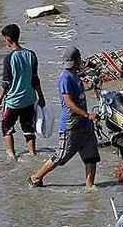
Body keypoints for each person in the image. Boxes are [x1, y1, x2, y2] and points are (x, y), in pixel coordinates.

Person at [29, 47, 100, 188]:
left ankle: (90, 187)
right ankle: (36, 177)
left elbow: (82, 80)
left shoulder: (75, 74)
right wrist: (87, 115)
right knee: (61, 155)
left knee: (91, 156)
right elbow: (68, 102)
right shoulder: (65, 77)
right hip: (71, 125)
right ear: (77, 60)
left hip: (85, 125)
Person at [0, 24, 44, 159]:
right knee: (28, 128)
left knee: (7, 128)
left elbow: (6, 82)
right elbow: (35, 79)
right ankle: (33, 154)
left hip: (13, 101)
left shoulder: (9, 58)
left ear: (8, 39)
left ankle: (11, 156)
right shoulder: (31, 55)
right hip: (29, 99)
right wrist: (41, 97)